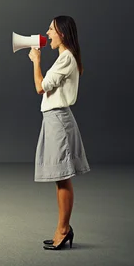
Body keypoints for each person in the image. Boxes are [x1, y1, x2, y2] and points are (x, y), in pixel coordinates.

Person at [28, 16, 90, 250]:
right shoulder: (64, 59)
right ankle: (63, 228)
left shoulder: (66, 59)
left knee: (62, 177)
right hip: (54, 120)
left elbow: (39, 87)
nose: (47, 33)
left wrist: (36, 61)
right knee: (60, 177)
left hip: (59, 121)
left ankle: (63, 230)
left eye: (51, 30)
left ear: (62, 33)